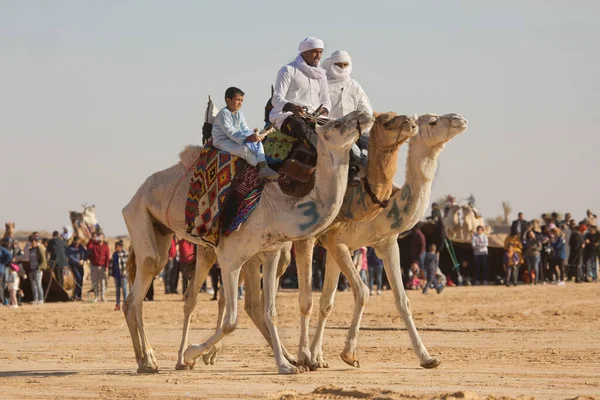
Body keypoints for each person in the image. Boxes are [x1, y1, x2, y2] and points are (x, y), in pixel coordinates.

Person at [322, 50, 372, 177]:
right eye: (339, 65)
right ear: (331, 64)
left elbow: (366, 109)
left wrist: (362, 125)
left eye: (345, 65)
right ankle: (356, 168)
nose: (342, 68)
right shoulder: (322, 85)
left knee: (374, 143)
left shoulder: (354, 86)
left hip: (357, 128)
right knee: (352, 149)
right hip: (333, 127)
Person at [212, 87, 279, 180]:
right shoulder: (223, 113)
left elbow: (245, 129)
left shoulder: (240, 114)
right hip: (223, 141)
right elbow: (231, 132)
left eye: (242, 100)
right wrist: (249, 137)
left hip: (237, 138)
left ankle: (264, 166)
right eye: (238, 100)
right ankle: (258, 167)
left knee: (258, 142)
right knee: (244, 149)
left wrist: (256, 136)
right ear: (228, 100)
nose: (240, 103)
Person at [87, 232, 110, 302]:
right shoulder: (93, 245)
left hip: (102, 266)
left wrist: (106, 266)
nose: (100, 238)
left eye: (101, 237)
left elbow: (107, 257)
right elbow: (88, 247)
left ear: (103, 238)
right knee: (95, 282)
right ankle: (96, 296)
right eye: (98, 237)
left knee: (102, 282)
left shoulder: (105, 246)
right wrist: (92, 239)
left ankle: (102, 296)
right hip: (94, 266)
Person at [26, 236, 47, 304]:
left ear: (36, 242)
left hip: (37, 270)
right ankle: (35, 299)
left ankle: (41, 299)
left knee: (38, 284)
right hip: (31, 269)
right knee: (33, 285)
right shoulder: (31, 249)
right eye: (31, 242)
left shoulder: (39, 249)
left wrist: (39, 267)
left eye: (33, 242)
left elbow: (43, 260)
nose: (32, 243)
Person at [67, 236, 87, 301]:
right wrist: (78, 262)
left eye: (78, 242)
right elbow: (70, 257)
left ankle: (79, 296)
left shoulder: (81, 247)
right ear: (73, 241)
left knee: (80, 280)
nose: (77, 243)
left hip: (81, 266)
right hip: (74, 266)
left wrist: (83, 259)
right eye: (76, 242)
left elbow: (84, 254)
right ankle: (75, 295)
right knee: (77, 278)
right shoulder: (70, 248)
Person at [111, 240, 129, 311]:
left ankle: (126, 305)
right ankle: (117, 305)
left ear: (120, 247)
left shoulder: (125, 254)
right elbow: (111, 264)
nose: (115, 248)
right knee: (117, 291)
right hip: (116, 275)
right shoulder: (114, 254)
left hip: (123, 275)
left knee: (125, 291)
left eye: (116, 246)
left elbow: (127, 265)